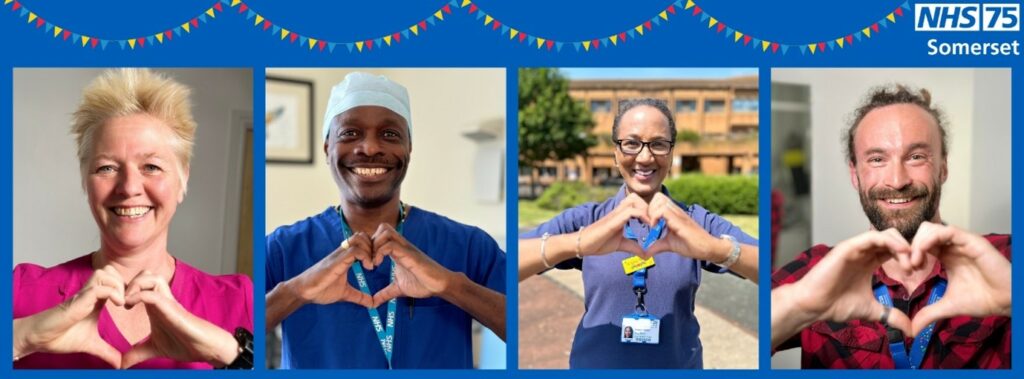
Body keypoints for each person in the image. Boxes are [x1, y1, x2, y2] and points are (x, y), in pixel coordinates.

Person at [12, 69, 254, 369]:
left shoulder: (240, 301)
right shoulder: (21, 292)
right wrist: (20, 338)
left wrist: (231, 353)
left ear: (183, 180)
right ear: (84, 181)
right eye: (107, 168)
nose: (128, 187)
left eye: (151, 166)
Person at [264, 72, 506, 369]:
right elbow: (229, 339)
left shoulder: (469, 246)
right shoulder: (281, 249)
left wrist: (451, 286)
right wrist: (296, 292)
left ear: (409, 150)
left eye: (390, 134)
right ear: (327, 148)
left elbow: (522, 326)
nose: (370, 148)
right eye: (350, 133)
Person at [770, 84, 1011, 369]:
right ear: (855, 175)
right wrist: (800, 307)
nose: (897, 180)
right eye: (877, 159)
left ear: (943, 167)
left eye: (916, 156)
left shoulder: (1006, 258)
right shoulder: (817, 269)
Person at [518, 98, 759, 369]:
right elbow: (505, 264)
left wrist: (715, 249)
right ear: (615, 152)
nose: (645, 157)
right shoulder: (589, 219)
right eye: (631, 143)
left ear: (671, 152)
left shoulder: (693, 221)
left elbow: (773, 273)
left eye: (658, 144)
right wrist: (578, 243)